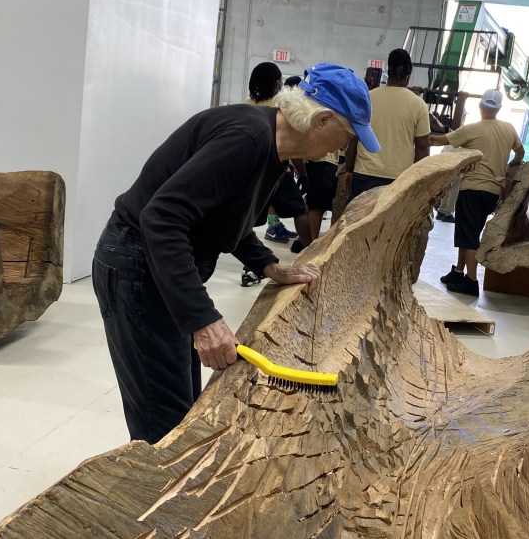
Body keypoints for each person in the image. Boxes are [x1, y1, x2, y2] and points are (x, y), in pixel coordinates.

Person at [92, 62, 380, 444]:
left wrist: (268, 264)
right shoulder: (247, 140)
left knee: (180, 411)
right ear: (323, 120)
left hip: (154, 266)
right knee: (165, 425)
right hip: (136, 266)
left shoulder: (271, 145)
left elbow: (221, 214)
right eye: (346, 137)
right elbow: (161, 219)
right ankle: (161, 500)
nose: (343, 149)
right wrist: (203, 320)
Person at [430, 88, 525, 296]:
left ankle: (471, 282)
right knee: (468, 233)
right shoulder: (509, 129)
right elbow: (521, 152)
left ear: (480, 105)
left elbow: (439, 140)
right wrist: (509, 166)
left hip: (472, 189)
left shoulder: (471, 129)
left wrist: (418, 134)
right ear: (499, 108)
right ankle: (458, 271)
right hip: (493, 193)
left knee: (469, 236)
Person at [344, 48, 430, 199]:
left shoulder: (367, 98)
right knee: (394, 223)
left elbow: (354, 138)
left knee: (361, 221)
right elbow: (422, 147)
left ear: (387, 71)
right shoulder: (418, 104)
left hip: (364, 174)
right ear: (408, 76)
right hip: (399, 178)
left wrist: (349, 169)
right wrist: (418, 179)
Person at [244, 63, 310, 248]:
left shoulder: (245, 106)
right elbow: (292, 145)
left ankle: (250, 266)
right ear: (275, 84)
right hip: (278, 169)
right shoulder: (283, 108)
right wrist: (303, 174)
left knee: (247, 219)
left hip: (252, 171)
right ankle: (311, 256)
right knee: (299, 210)